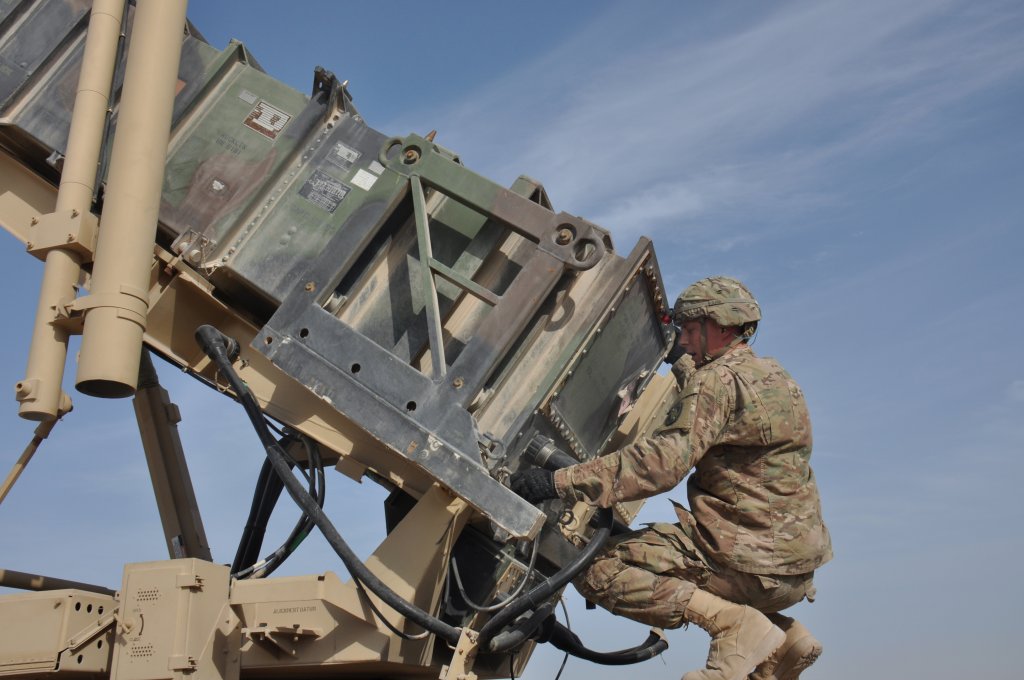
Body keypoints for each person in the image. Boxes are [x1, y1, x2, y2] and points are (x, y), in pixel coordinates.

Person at [511, 276, 831, 680]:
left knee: (597, 568)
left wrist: (557, 483)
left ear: (721, 328)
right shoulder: (777, 379)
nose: (685, 341)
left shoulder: (716, 383)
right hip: (792, 572)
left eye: (691, 331)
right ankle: (786, 640)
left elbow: (661, 463)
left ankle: (733, 627)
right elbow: (720, 408)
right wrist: (680, 363)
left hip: (744, 564)